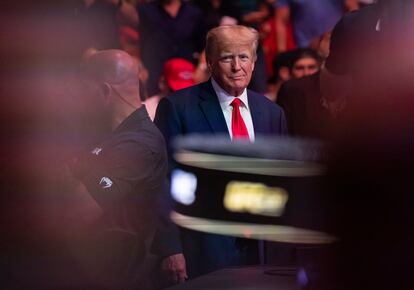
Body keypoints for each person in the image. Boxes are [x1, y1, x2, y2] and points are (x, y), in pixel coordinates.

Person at [154, 25, 288, 279]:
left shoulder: (272, 113)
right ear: (210, 62)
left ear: (255, 61)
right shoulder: (178, 108)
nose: (237, 66)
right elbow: (163, 180)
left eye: (244, 57)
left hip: (261, 247)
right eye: (228, 58)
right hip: (204, 247)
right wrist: (169, 248)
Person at [70, 49, 169, 289]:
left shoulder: (138, 144)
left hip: (119, 278)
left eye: (84, 91)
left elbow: (72, 216)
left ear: (104, 91)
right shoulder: (109, 134)